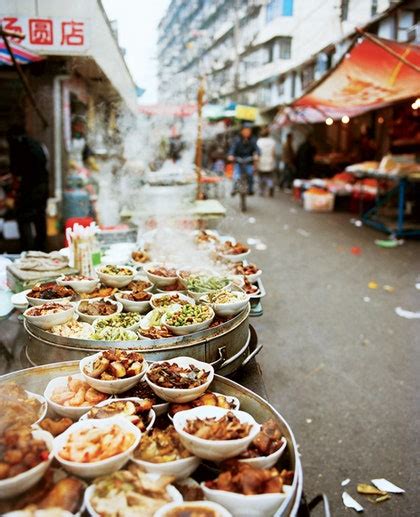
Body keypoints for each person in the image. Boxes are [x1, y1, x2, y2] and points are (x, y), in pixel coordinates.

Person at [7, 125, 49, 251]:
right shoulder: (39, 145)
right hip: (43, 186)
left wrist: (13, 192)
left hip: (29, 188)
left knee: (23, 217)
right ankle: (41, 247)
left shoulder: (17, 146)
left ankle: (27, 249)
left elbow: (16, 173)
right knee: (39, 216)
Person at [228, 124, 260, 195]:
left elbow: (257, 149)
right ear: (242, 131)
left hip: (248, 161)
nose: (247, 132)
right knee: (236, 175)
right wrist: (231, 155)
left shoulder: (253, 139)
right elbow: (232, 149)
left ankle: (250, 189)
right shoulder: (237, 139)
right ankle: (234, 188)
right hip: (238, 160)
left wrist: (257, 155)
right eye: (245, 130)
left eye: (248, 131)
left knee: (250, 174)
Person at [256, 126, 276, 197]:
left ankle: (261, 191)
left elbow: (257, 154)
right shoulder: (272, 141)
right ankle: (270, 185)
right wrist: (273, 161)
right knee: (270, 176)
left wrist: (255, 163)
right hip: (270, 161)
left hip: (261, 161)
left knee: (261, 176)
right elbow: (273, 153)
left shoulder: (259, 141)